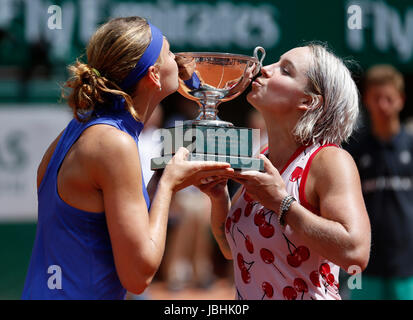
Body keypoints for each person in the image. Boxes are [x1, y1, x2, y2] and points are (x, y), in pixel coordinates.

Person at [21, 16, 233, 300]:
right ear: (154, 75)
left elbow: (116, 227)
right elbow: (138, 276)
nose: (179, 60)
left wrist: (162, 177)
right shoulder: (113, 143)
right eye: (169, 52)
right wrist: (168, 184)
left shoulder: (82, 129)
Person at [197, 43, 371, 300]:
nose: (265, 70)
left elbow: (356, 253)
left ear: (308, 101)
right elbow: (232, 249)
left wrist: (282, 203)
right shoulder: (261, 157)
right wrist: (218, 197)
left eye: (285, 70)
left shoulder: (329, 160)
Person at [345, 65, 413, 300]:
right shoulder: (353, 149)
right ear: (367, 100)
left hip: (407, 265)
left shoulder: (411, 145)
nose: (383, 105)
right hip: (365, 264)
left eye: (389, 99)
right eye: (376, 98)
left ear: (401, 100)